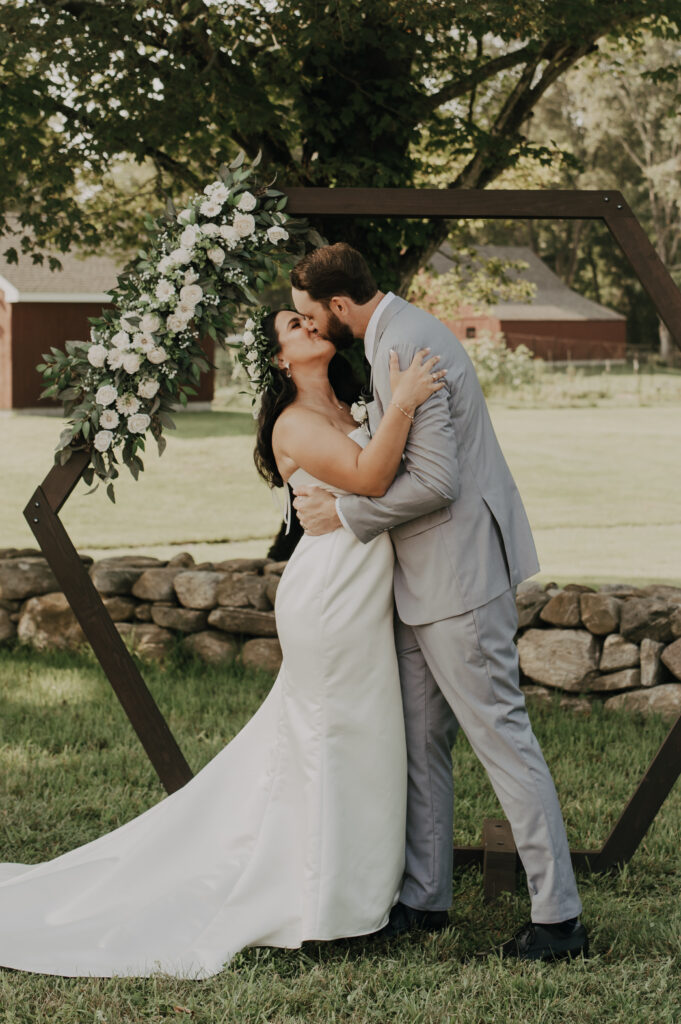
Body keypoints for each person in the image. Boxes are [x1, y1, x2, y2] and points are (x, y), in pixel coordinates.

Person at [0, 309, 445, 979]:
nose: (310, 324)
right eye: (294, 324)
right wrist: (406, 404)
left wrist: (392, 404)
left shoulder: (356, 403)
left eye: (310, 316)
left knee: (364, 735)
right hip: (329, 598)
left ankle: (353, 896)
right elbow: (372, 480)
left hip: (361, 591)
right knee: (333, 733)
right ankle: (325, 906)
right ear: (279, 359)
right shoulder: (293, 421)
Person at [290, 242, 589, 962]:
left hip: (457, 575)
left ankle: (558, 919)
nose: (307, 326)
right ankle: (424, 899)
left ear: (338, 306)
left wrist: (345, 515)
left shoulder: (407, 345)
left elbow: (435, 484)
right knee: (421, 741)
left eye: (308, 315)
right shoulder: (392, 336)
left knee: (500, 738)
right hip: (417, 581)